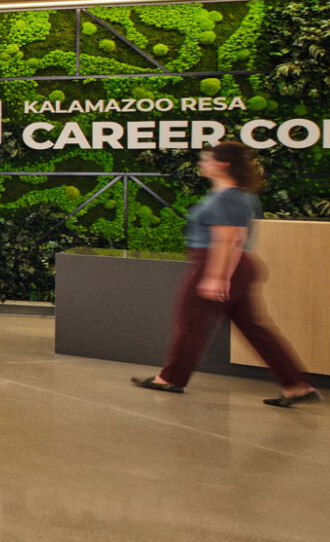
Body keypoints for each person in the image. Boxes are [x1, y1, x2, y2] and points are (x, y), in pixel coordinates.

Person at [135, 141, 319, 406]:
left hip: (217, 263)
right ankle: (295, 386)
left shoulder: (228, 197)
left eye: (207, 159)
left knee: (190, 324)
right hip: (235, 265)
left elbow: (229, 240)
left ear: (223, 164)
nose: (202, 163)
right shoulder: (238, 195)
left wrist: (217, 277)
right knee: (254, 328)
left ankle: (170, 379)